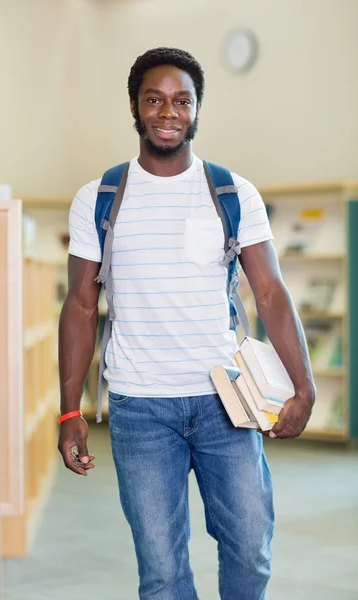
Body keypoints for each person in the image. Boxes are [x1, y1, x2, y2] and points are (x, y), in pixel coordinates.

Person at [58, 47, 316, 600]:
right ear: (135, 106)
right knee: (161, 571)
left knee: (250, 548)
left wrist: (305, 386)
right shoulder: (100, 198)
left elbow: (270, 293)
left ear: (197, 109)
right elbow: (80, 306)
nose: (168, 112)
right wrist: (70, 409)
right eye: (154, 99)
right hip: (140, 408)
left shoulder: (231, 192)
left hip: (227, 401)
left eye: (181, 100)